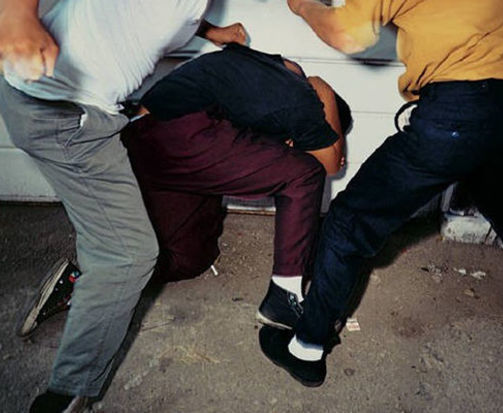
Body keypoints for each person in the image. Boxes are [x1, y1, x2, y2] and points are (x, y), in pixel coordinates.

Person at [258, 0, 503, 387]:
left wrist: (304, 6)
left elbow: (346, 33)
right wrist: (493, 77)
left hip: (454, 113)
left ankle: (306, 348)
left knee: (349, 221)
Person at [0, 0, 247, 411]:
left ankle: (82, 281)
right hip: (66, 118)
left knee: (116, 230)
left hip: (63, 109)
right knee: (128, 255)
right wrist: (17, 15)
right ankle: (67, 393)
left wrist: (211, 31)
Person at [18, 44, 352, 339]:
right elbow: (329, 164)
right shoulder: (298, 97)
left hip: (147, 146)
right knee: (304, 174)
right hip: (182, 134)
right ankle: (284, 296)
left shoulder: (264, 69)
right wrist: (322, 90)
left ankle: (81, 282)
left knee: (189, 257)